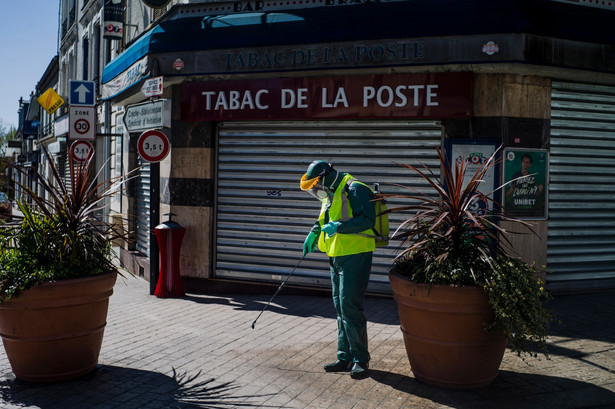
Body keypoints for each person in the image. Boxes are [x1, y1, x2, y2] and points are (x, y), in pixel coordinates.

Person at [299, 160, 376, 379]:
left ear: (325, 176)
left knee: (349, 306)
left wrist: (339, 227)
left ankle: (361, 359)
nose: (315, 190)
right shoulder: (332, 191)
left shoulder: (355, 188)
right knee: (340, 307)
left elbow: (368, 220)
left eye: (315, 184)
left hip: (355, 254)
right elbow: (325, 215)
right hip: (336, 255)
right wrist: (314, 233)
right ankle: (345, 357)